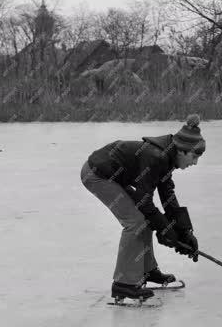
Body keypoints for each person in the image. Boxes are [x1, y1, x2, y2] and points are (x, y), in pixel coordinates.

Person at [80, 114, 205, 302]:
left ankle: (146, 271)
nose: (194, 162)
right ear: (182, 150)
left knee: (144, 219)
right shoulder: (157, 157)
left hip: (114, 176)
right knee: (136, 222)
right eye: (194, 157)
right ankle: (124, 284)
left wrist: (184, 231)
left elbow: (167, 194)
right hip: (97, 174)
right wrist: (166, 229)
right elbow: (144, 201)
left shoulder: (167, 156)